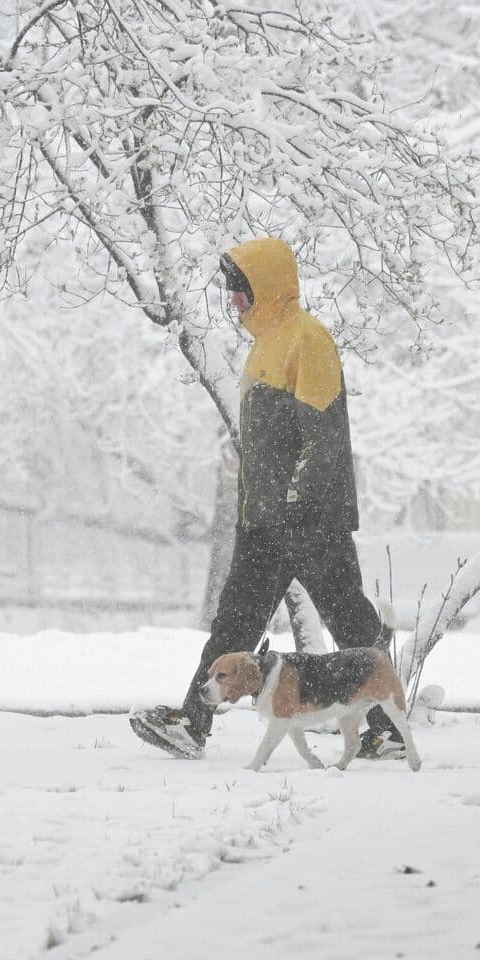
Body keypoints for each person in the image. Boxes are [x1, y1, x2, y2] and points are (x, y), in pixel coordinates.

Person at [130, 237, 405, 761]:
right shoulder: (264, 347)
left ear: (265, 288)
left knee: (352, 625)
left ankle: (386, 725)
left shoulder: (308, 339)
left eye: (240, 291)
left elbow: (321, 434)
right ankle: (193, 722)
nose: (234, 302)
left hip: (309, 519)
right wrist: (260, 509)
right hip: (264, 522)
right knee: (233, 625)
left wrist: (299, 503)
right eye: (232, 292)